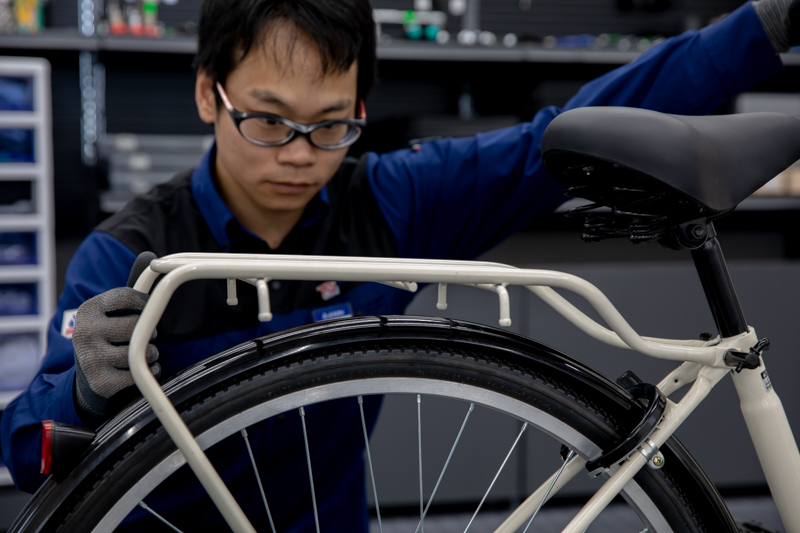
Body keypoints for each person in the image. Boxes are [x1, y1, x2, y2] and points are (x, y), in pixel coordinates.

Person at [2, 0, 798, 530]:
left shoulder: (391, 202)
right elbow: (25, 447)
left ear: (361, 109)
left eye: (330, 125)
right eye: (268, 120)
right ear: (209, 93)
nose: (300, 155)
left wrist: (761, 28)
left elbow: (561, 136)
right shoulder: (132, 252)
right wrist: (78, 386)